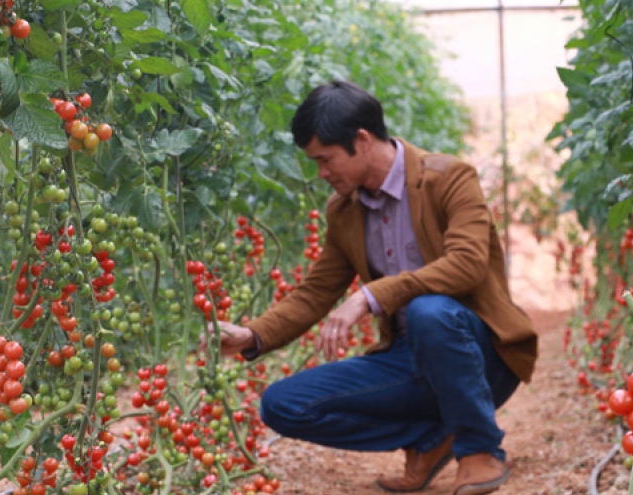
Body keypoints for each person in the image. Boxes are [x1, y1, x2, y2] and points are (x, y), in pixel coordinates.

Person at [212, 80, 538, 495]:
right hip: (411, 359)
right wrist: (252, 334)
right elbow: (316, 291)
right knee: (282, 404)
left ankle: (479, 450)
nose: (322, 173)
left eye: (325, 159)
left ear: (362, 140)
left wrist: (371, 296)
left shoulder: (449, 178)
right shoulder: (344, 210)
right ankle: (433, 438)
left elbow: (468, 264)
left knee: (428, 312)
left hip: (481, 353)